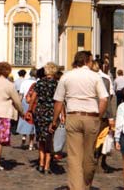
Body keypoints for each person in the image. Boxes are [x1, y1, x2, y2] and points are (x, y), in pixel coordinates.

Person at [50, 50, 108, 190]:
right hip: (91, 117)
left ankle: (76, 187)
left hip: (73, 115)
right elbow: (104, 99)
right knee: (89, 155)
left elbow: (58, 101)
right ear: (88, 60)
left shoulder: (66, 76)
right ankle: (86, 183)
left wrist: (54, 120)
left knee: (74, 156)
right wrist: (99, 116)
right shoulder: (94, 77)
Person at [30, 62, 58, 174]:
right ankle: (47, 165)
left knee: (41, 138)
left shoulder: (39, 83)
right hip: (51, 112)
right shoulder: (56, 84)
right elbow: (59, 101)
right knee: (49, 138)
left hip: (40, 112)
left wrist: (30, 110)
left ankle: (41, 163)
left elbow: (33, 98)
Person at [16, 68, 37, 149]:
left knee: (24, 120)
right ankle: (31, 144)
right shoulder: (37, 82)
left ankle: (23, 137)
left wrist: (19, 105)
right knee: (32, 124)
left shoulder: (24, 82)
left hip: (25, 101)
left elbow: (21, 94)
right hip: (34, 103)